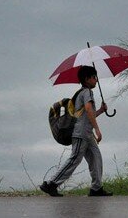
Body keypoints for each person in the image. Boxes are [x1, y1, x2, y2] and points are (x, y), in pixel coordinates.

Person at [40, 65, 114, 196]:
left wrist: (101, 111)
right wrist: (97, 129)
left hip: (87, 133)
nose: (96, 80)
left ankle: (96, 188)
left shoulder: (82, 93)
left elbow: (87, 114)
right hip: (80, 133)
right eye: (94, 77)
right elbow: (88, 109)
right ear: (87, 79)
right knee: (75, 159)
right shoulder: (87, 92)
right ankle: (51, 184)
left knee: (96, 157)